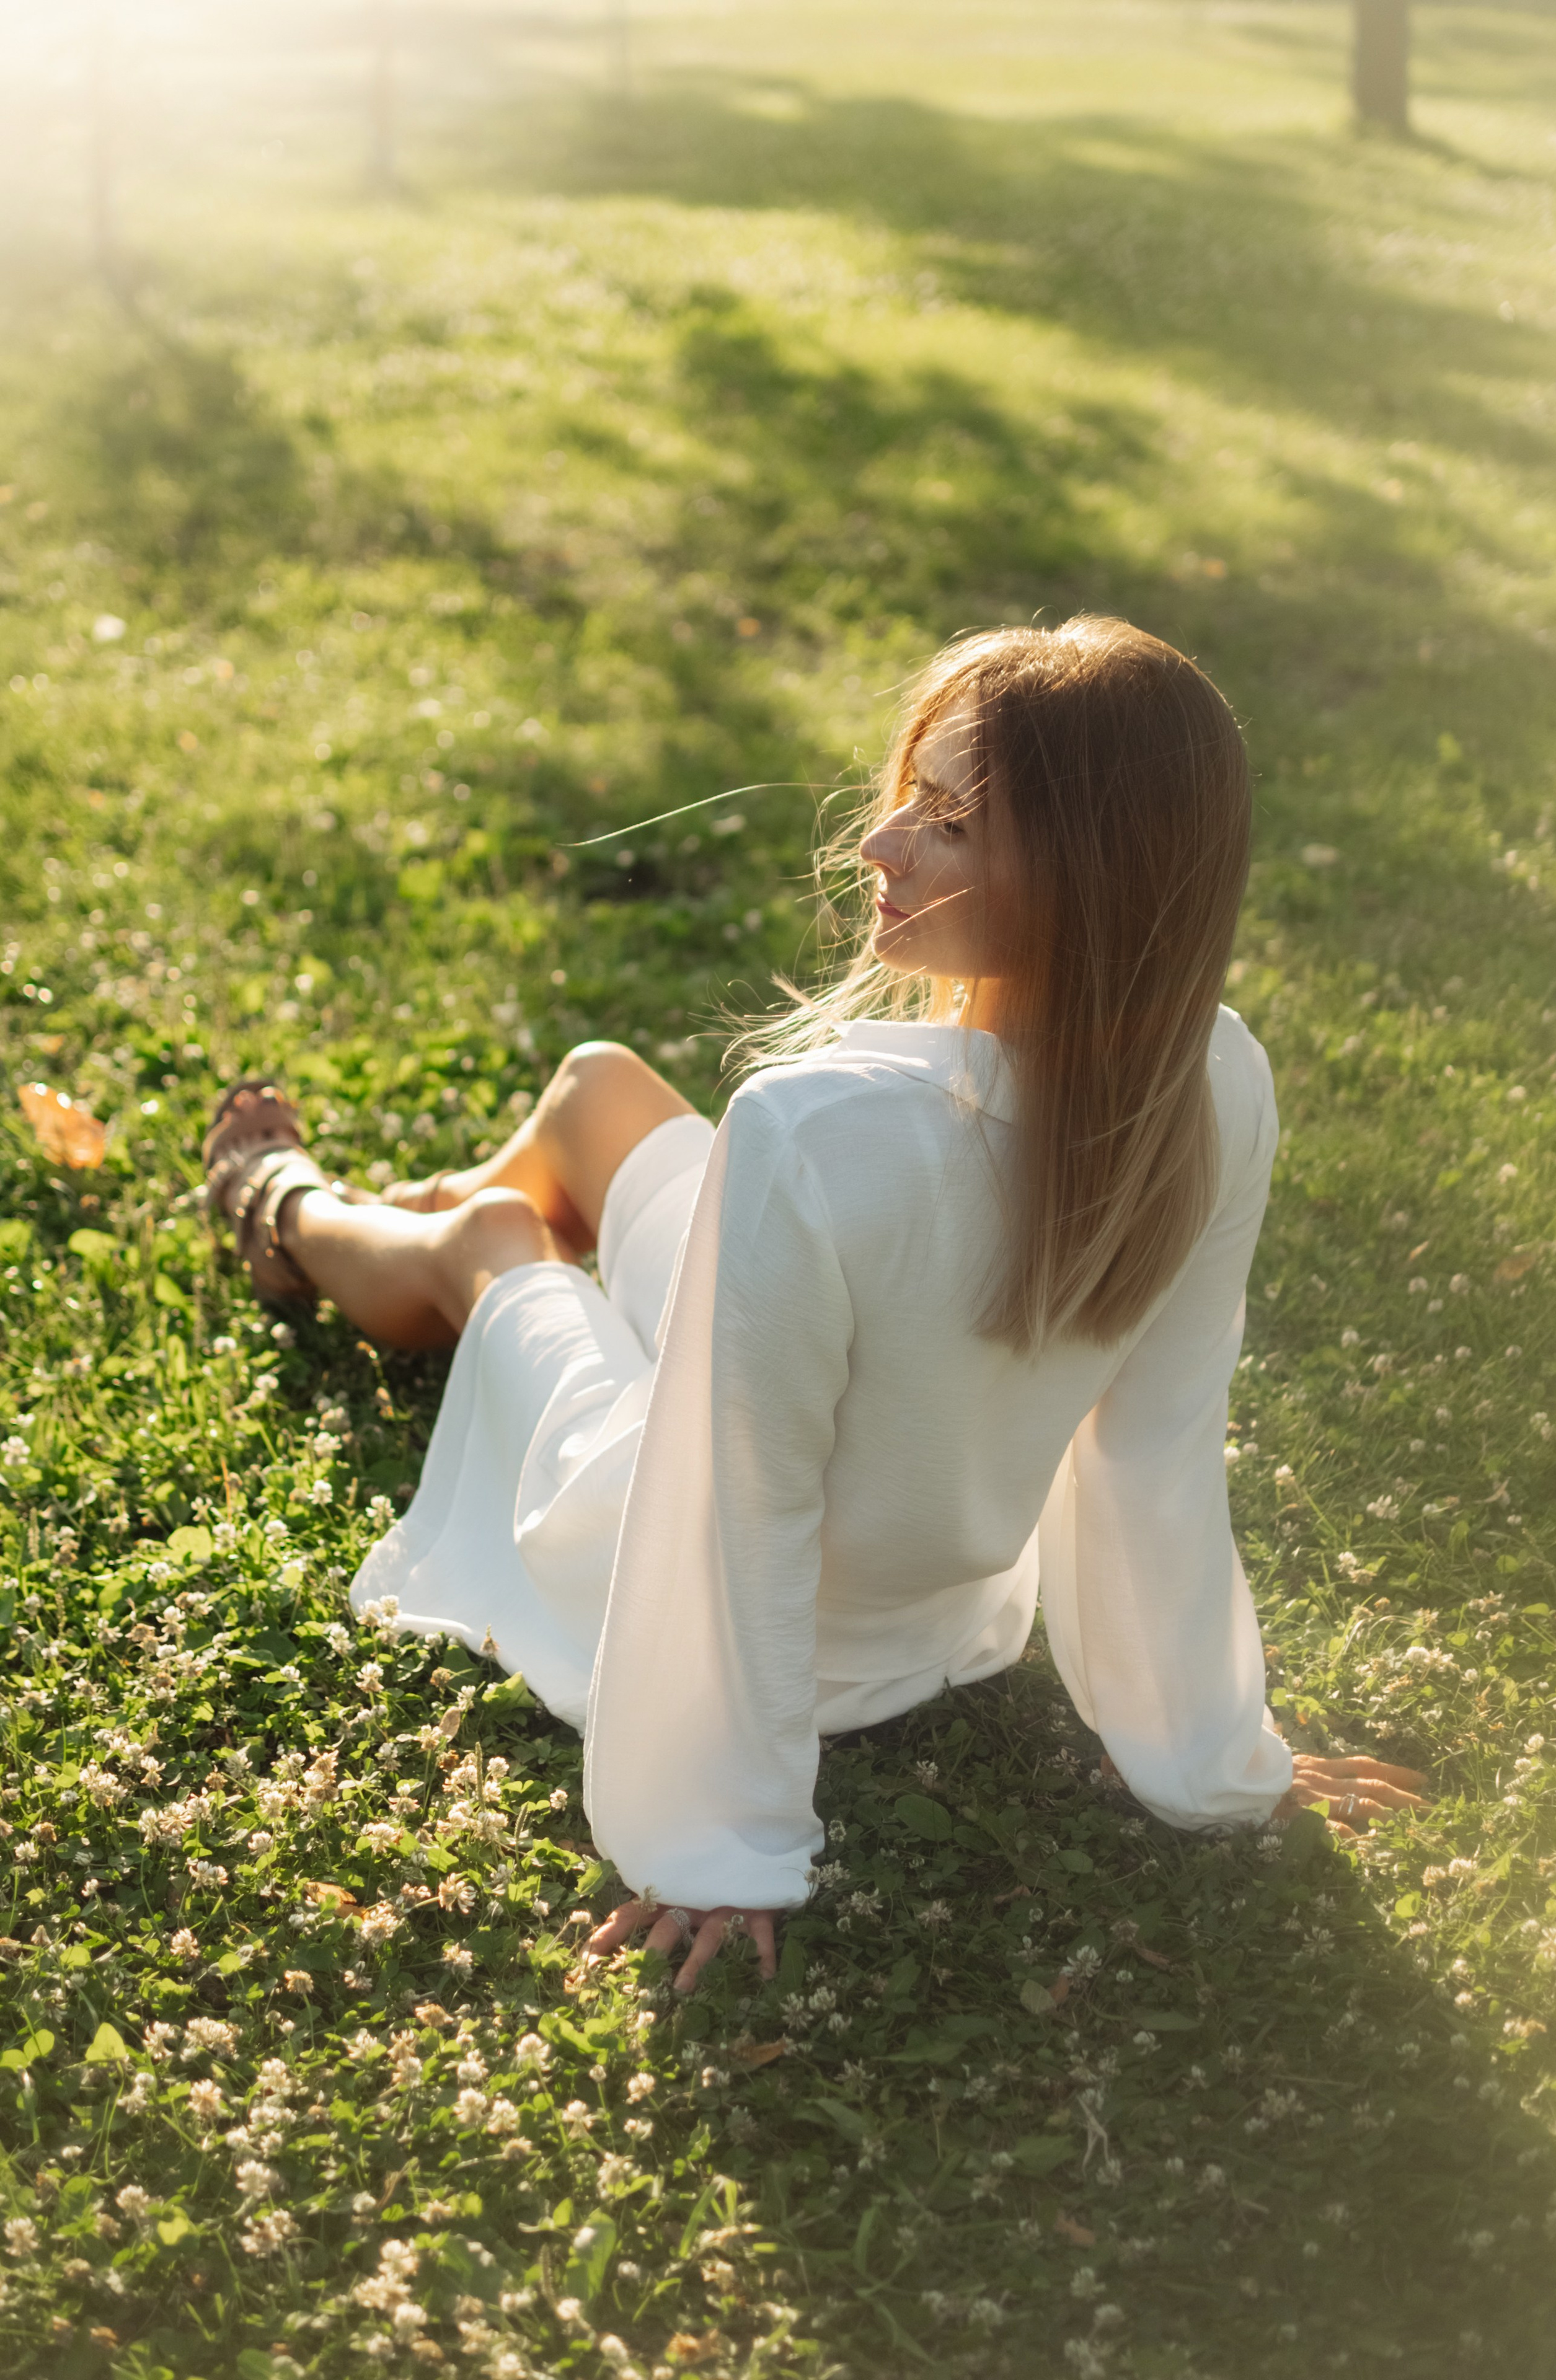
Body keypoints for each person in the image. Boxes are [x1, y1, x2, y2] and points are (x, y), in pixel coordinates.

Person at [202, 617, 1425, 1993]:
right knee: (600, 1088)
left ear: (1091, 877)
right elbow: (1154, 1448)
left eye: (950, 824)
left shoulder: (820, 1130)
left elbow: (737, 1500)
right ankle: (431, 1198)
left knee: (498, 1249)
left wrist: (720, 1839)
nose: (881, 845)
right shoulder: (1211, 1082)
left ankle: (290, 1208)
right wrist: (1210, 1755)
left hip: (644, 1542)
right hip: (916, 1617)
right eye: (908, 793)